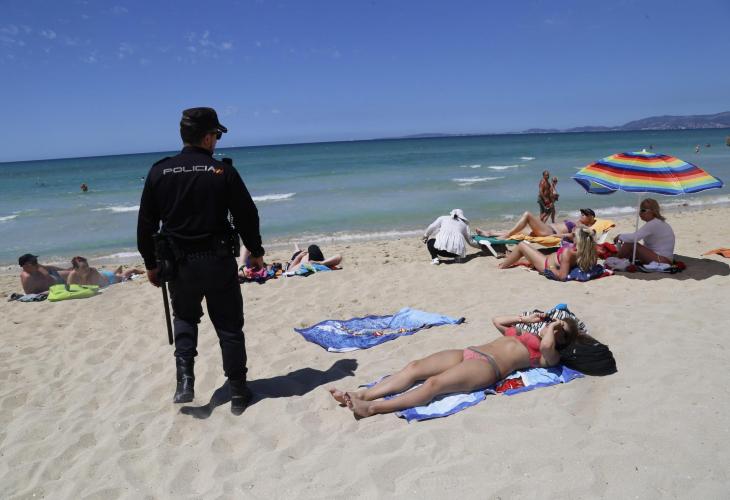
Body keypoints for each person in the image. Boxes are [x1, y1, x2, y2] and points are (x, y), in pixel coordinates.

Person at [137, 107, 264, 415]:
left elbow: (145, 224)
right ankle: (238, 392)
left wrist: (150, 264)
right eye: (216, 135)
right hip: (217, 261)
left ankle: (185, 382)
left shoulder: (159, 172)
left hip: (179, 265)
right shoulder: (222, 172)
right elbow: (247, 215)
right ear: (207, 138)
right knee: (229, 326)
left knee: (185, 318)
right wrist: (256, 251)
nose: (217, 140)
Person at [329, 312, 580, 418]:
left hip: (487, 367)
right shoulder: (526, 333)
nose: (554, 329)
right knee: (414, 367)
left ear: (562, 340)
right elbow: (497, 321)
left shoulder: (549, 355)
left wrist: (554, 327)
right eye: (555, 325)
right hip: (468, 353)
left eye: (560, 331)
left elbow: (548, 346)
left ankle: (373, 408)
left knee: (433, 384)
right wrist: (525, 319)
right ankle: (362, 394)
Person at [497, 227, 598, 281]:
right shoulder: (589, 251)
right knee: (525, 259)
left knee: (522, 245)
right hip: (548, 258)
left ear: (578, 240)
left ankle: (502, 266)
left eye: (574, 235)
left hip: (545, 264)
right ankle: (510, 257)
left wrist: (551, 267)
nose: (572, 236)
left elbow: (562, 276)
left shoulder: (569, 252)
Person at [614, 198, 675, 264]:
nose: (640, 213)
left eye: (643, 210)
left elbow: (634, 238)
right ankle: (617, 259)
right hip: (662, 258)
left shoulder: (653, 224)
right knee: (630, 248)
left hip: (662, 260)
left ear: (653, 211)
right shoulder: (658, 222)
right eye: (640, 210)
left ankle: (615, 260)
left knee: (630, 244)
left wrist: (619, 236)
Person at [476, 208, 596, 240]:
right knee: (517, 231)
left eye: (585, 214)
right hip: (547, 228)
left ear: (591, 217)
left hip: (549, 232)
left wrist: (554, 236)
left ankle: (506, 235)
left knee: (527, 215)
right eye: (582, 213)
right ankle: (489, 233)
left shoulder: (583, 227)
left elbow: (572, 236)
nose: (582, 215)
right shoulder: (578, 222)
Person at [66, 256, 143, 287]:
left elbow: (95, 288)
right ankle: (117, 270)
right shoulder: (72, 275)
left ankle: (133, 270)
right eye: (83, 267)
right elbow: (69, 288)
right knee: (115, 274)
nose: (87, 268)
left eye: (87, 266)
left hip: (109, 279)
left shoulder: (92, 271)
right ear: (76, 269)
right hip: (103, 275)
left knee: (122, 277)